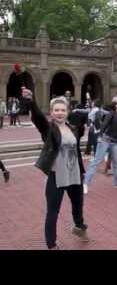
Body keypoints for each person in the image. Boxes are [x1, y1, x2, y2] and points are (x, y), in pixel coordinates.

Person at [22, 89, 89, 249]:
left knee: (78, 206)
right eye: (56, 110)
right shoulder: (49, 129)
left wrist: (82, 172)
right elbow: (38, 118)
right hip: (56, 176)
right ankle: (51, 244)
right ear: (51, 112)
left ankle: (79, 227)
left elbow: (76, 150)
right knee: (53, 212)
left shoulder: (73, 128)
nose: (60, 113)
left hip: (74, 175)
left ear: (67, 112)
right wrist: (32, 102)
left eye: (63, 110)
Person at [83, 100, 117, 195]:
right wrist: (99, 136)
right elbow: (104, 124)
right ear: (116, 106)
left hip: (114, 142)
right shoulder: (111, 113)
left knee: (116, 163)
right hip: (105, 140)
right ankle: (85, 183)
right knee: (96, 161)